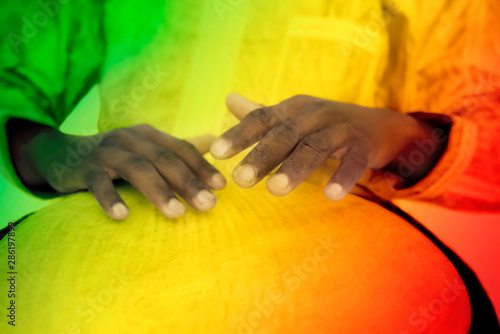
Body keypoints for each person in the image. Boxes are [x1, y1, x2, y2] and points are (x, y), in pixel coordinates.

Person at [1, 0, 499, 332]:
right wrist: (51, 152)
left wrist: (403, 134)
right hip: (100, 261)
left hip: (338, 266)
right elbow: (11, 81)